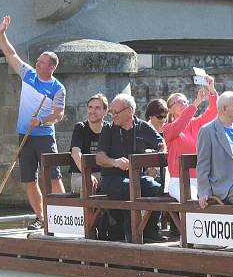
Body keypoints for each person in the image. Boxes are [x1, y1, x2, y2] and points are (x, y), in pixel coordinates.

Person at [0, 16, 65, 231]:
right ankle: (41, 217)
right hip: (24, 136)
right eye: (38, 60)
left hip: (44, 137)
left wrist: (42, 120)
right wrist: (1, 34)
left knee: (53, 176)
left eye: (42, 62)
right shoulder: (28, 75)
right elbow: (11, 53)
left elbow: (59, 114)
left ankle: (62, 215)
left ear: (51, 67)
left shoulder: (57, 88)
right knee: (29, 179)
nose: (37, 63)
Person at [95, 93, 165, 242]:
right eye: (111, 112)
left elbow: (161, 144)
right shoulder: (108, 129)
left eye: (116, 112)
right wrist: (114, 162)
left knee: (156, 188)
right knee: (129, 189)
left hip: (137, 177)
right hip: (111, 179)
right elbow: (99, 157)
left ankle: (150, 231)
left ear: (130, 111)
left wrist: (154, 163)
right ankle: (131, 233)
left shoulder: (143, 127)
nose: (112, 115)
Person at [196, 91, 233, 208]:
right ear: (224, 108)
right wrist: (204, 192)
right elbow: (203, 164)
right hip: (228, 184)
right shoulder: (207, 131)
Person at [163, 76, 218, 201]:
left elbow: (213, 113)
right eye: (178, 102)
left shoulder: (195, 123)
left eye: (185, 102)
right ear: (170, 109)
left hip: (201, 179)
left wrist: (212, 91)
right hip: (179, 181)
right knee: (192, 201)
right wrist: (196, 103)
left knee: (220, 199)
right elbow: (180, 124)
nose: (183, 104)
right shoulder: (168, 128)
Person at [69, 93, 108, 195]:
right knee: (88, 183)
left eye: (97, 108)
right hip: (81, 175)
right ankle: (88, 211)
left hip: (105, 175)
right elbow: (75, 153)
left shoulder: (109, 129)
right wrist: (87, 174)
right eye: (90, 107)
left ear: (105, 111)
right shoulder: (80, 128)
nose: (92, 111)